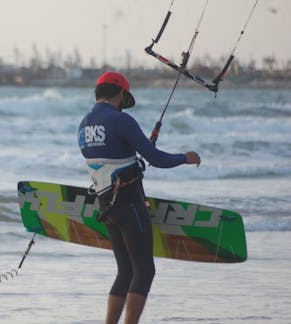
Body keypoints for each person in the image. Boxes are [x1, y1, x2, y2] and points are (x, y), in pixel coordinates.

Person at [77, 71, 201, 324]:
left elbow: (111, 160)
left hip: (107, 207)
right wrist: (185, 157)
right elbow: (156, 159)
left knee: (125, 271)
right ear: (121, 94)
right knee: (144, 270)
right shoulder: (122, 121)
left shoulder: (84, 125)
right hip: (128, 205)